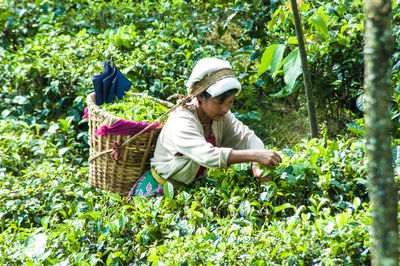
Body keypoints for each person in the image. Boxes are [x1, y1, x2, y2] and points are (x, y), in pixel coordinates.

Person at [128, 57, 281, 198]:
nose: (225, 109)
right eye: (219, 102)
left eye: (230, 102)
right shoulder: (181, 120)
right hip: (158, 191)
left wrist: (257, 163)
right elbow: (208, 156)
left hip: (191, 191)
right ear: (201, 96)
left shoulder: (222, 118)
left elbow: (247, 137)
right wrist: (255, 155)